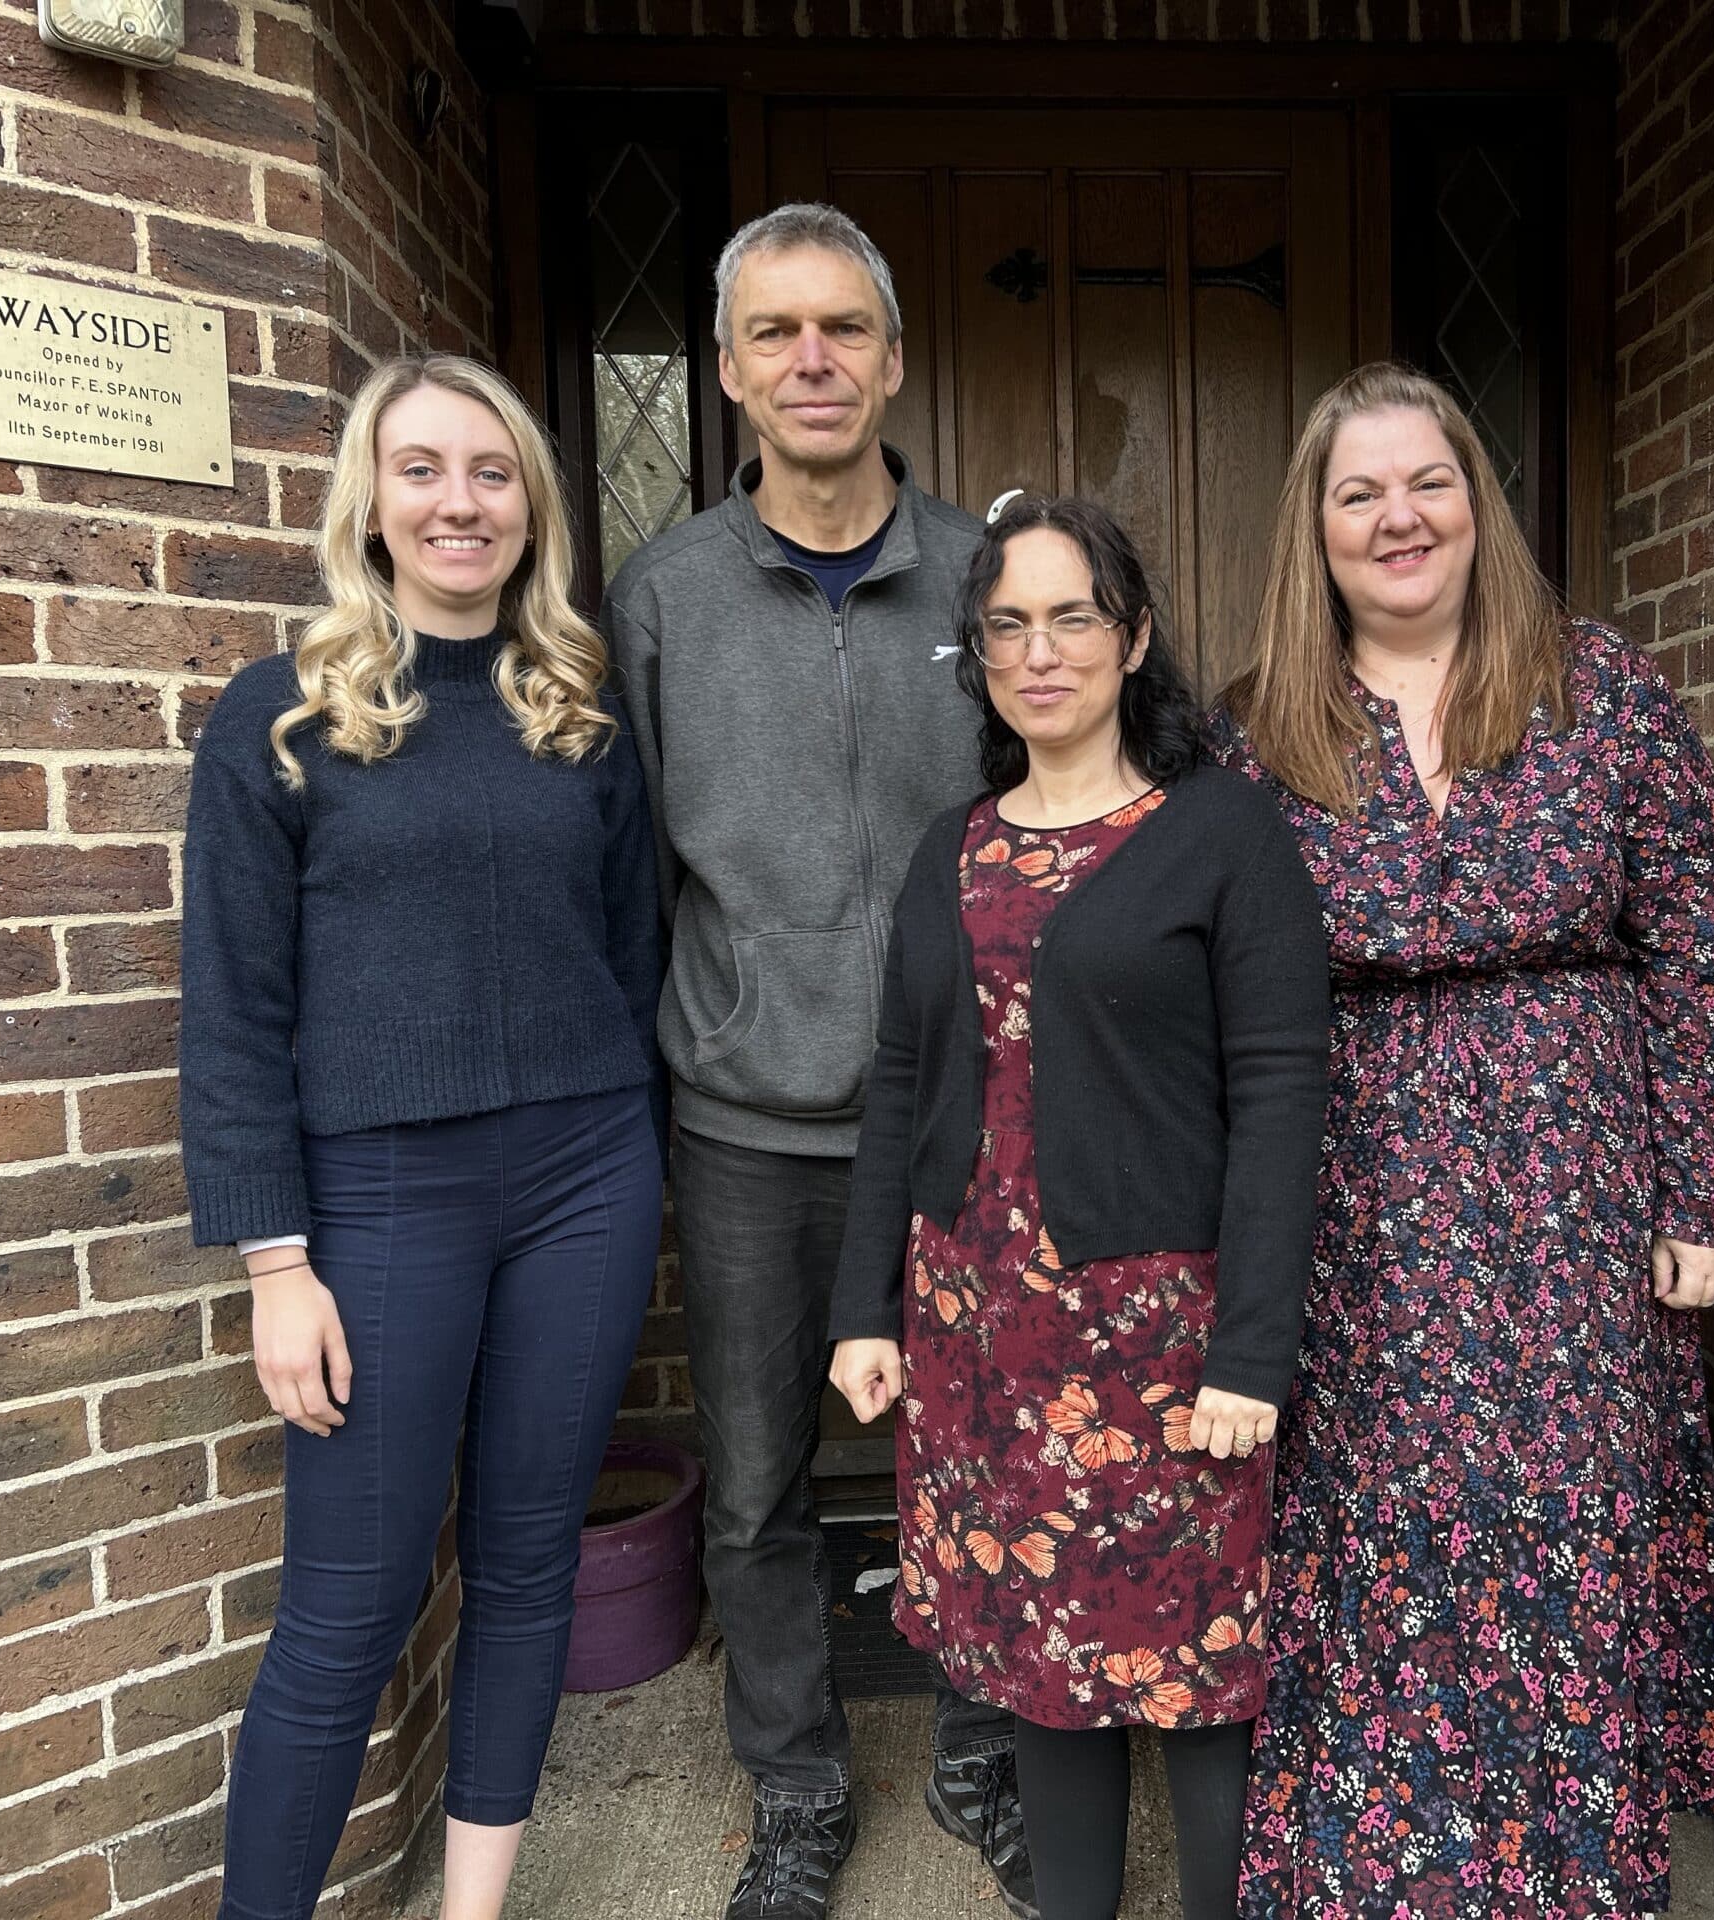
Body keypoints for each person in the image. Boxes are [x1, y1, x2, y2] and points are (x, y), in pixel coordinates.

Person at [1211, 363, 1714, 1920]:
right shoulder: (1258, 733)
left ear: (1478, 501)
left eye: (1428, 482)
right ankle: (1379, 1865)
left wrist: (1711, 1181)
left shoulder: (1603, 690)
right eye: (1359, 493)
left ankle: (1572, 1862)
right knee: (1387, 1500)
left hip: (1577, 1182)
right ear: (1314, 536)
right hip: (1359, 1193)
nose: (1401, 516)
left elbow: (1701, 943)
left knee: (1575, 1496)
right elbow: (1191, 975)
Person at [179, 353, 667, 1920]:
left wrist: (626, 1138)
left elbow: (633, 950)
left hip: (586, 1177)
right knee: (351, 1601)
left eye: (493, 472)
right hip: (382, 1199)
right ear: (369, 503)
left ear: (530, 506)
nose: (460, 501)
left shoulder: (579, 713)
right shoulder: (284, 716)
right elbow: (234, 1009)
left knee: (527, 1564)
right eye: (423, 470)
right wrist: (276, 1259)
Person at [605, 203, 1032, 1920]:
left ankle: (989, 1744)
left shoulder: (988, 581)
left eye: (843, 329)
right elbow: (628, 870)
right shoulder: (666, 595)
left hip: (973, 1109)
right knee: (766, 1468)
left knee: (991, 1448)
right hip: (748, 1122)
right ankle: (792, 1783)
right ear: (725, 372)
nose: (812, 361)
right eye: (776, 334)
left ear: (896, 359)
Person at [829, 496, 1330, 1920]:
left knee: (1195, 1665)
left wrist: (1252, 1349)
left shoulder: (1222, 832)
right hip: (984, 1331)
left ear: (1135, 639)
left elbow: (1284, 1094)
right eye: (1007, 624)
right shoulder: (955, 849)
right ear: (977, 652)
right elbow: (902, 1076)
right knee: (1045, 1656)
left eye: (1073, 618)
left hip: (1163, 1334)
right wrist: (867, 1307)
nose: (1039, 651)